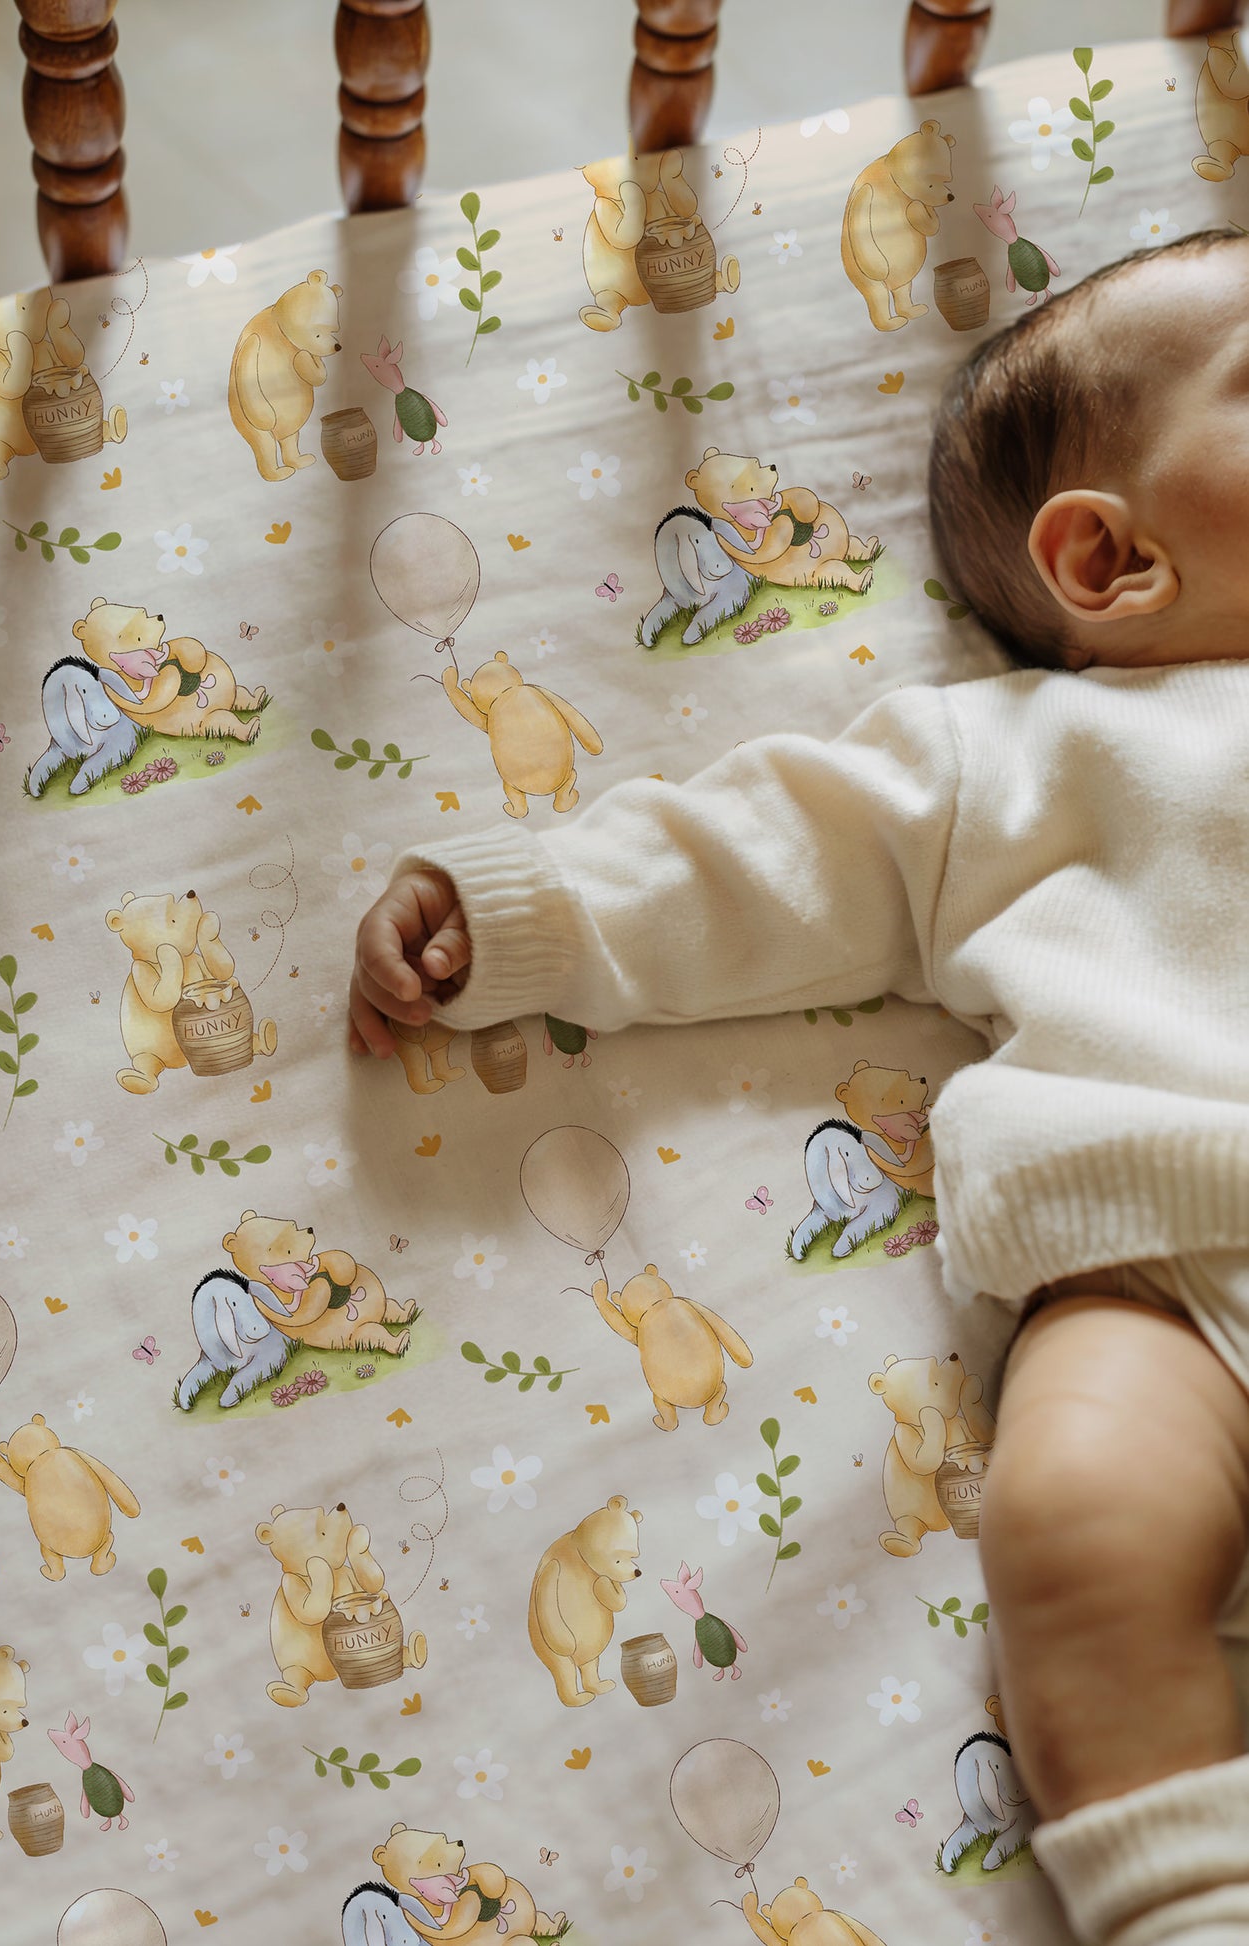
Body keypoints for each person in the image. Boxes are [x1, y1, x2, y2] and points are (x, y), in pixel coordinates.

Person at [349, 226, 1249, 1946]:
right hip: (1163, 1264)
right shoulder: (1013, 766)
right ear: (1110, 560)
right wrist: (521, 912)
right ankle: (1186, 1904)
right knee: (1070, 1525)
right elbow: (764, 856)